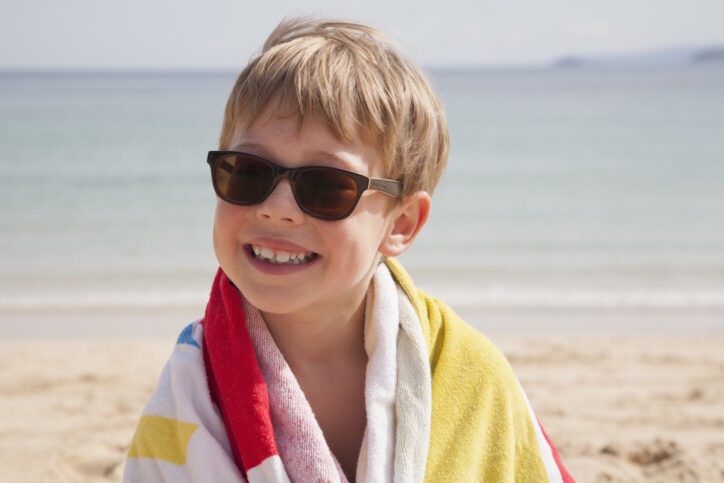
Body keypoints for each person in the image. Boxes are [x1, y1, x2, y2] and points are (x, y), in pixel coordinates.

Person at [123, 17, 573, 483]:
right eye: (249, 172)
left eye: (325, 187)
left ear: (400, 224)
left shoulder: (471, 375)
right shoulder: (191, 390)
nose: (278, 210)